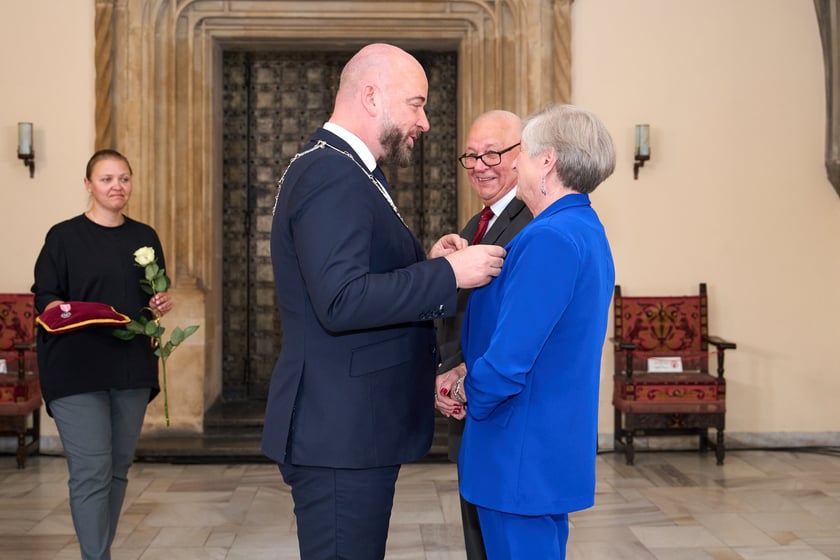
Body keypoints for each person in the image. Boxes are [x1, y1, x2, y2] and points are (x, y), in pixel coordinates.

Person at [261, 43, 506, 560]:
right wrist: (446, 274)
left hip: (352, 428)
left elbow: (353, 278)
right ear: (372, 96)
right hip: (339, 433)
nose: (426, 121)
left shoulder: (350, 168)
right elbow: (342, 300)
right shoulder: (332, 172)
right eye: (416, 104)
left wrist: (427, 263)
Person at [451, 104, 616, 559]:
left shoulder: (549, 238)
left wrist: (468, 392)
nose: (514, 163)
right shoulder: (580, 227)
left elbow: (509, 361)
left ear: (547, 161)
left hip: (518, 451)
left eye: (521, 152)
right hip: (540, 446)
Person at [32, 149, 173, 560]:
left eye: (124, 178)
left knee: (115, 471)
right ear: (88, 185)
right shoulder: (63, 236)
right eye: (107, 179)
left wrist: (161, 302)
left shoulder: (144, 237)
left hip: (130, 369)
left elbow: (151, 294)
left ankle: (98, 552)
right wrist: (59, 308)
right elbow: (45, 297)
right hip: (77, 369)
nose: (117, 187)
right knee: (91, 471)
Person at [434, 109, 532, 560]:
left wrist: (461, 375)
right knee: (479, 539)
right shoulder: (480, 222)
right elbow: (469, 308)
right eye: (470, 155)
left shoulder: (532, 222)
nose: (479, 164)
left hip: (504, 409)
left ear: (523, 155)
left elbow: (517, 323)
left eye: (492, 152)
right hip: (472, 402)